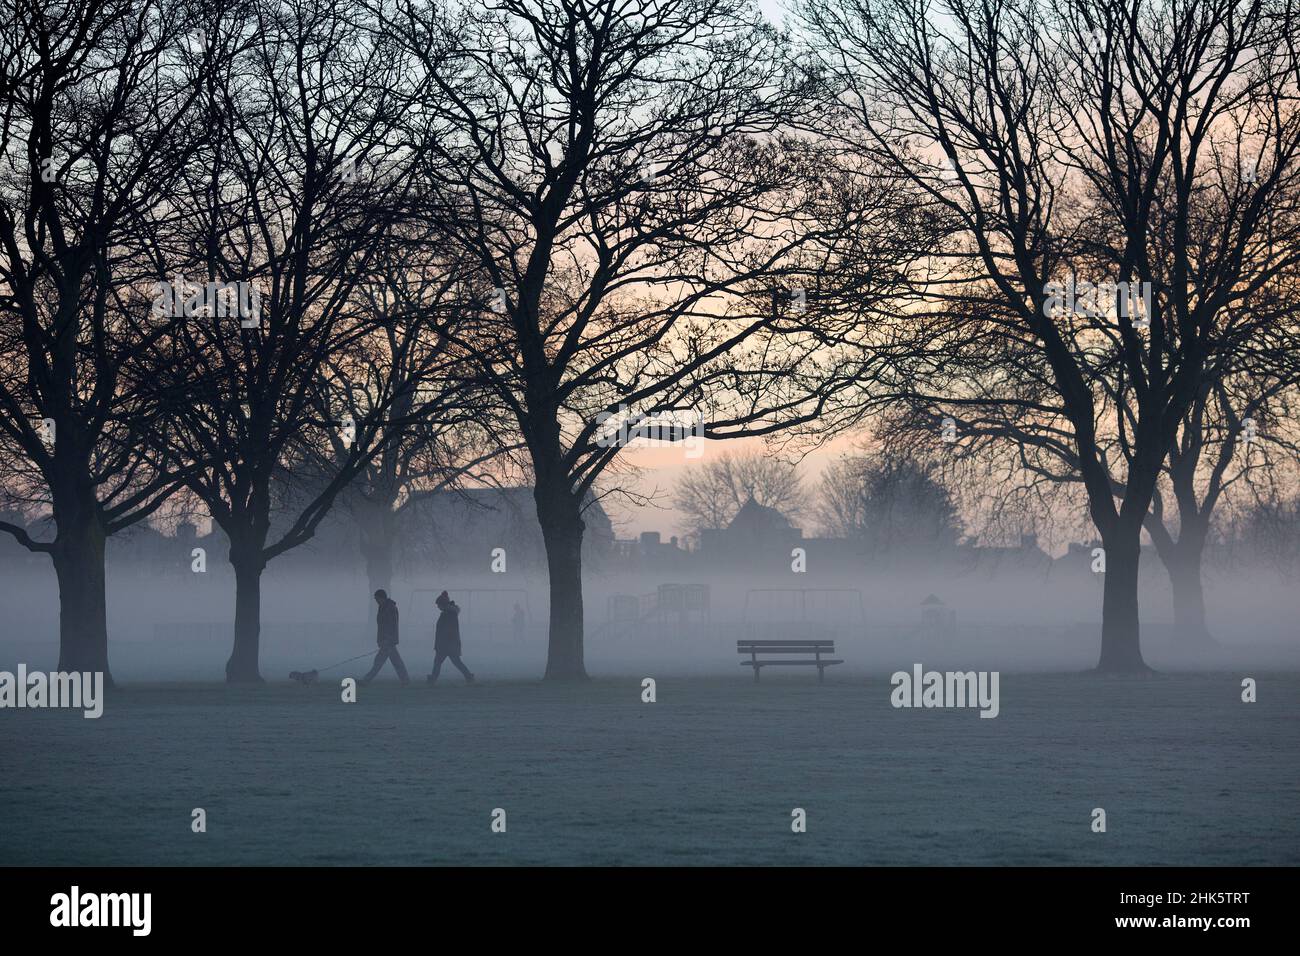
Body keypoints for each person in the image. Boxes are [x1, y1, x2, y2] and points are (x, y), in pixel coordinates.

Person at [359, 589, 409, 684]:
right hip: (386, 641)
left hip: (388, 641)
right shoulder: (383, 607)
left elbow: (392, 625)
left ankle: (366, 680)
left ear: (382, 598)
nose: (376, 601)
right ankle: (406, 680)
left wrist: (387, 639)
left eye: (377, 599)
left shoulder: (390, 608)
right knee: (395, 662)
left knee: (380, 662)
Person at [428, 590, 475, 684]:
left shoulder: (448, 614)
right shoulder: (450, 613)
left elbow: (445, 630)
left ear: (443, 604)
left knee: (439, 662)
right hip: (450, 644)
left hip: (446, 644)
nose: (438, 607)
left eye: (438, 605)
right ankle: (469, 676)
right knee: (456, 662)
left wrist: (441, 643)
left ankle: (433, 679)